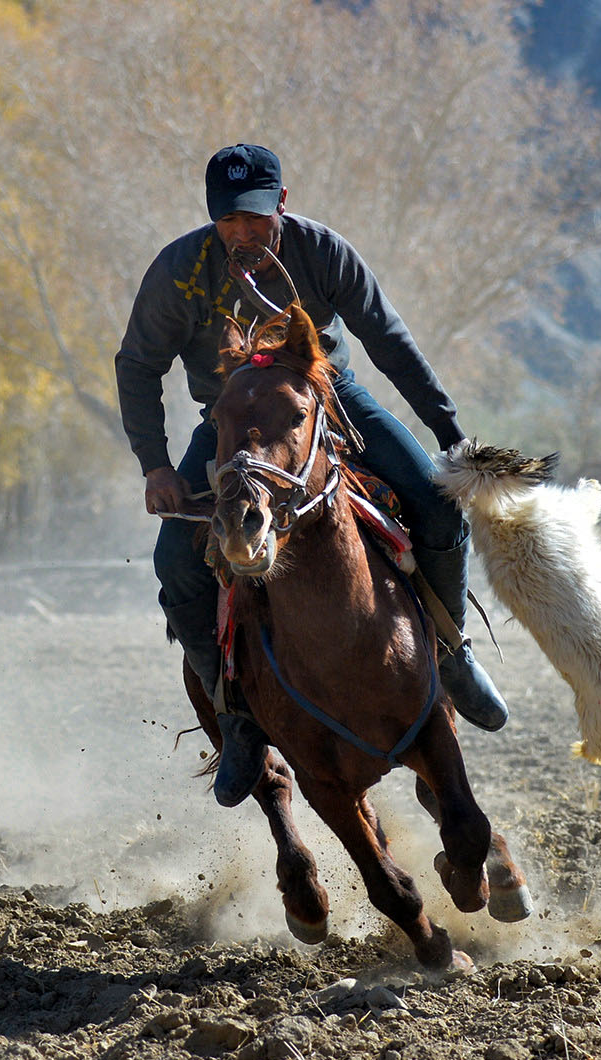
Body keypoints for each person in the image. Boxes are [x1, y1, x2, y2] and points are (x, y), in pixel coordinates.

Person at [114, 143, 507, 808]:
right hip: (233, 421)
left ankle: (449, 651)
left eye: (256, 220)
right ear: (214, 218)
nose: (243, 234)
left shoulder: (323, 252)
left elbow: (387, 339)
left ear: (282, 206)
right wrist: (155, 463)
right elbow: (137, 365)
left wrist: (448, 432)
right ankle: (235, 714)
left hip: (325, 398)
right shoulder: (181, 272)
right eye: (229, 221)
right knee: (175, 565)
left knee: (438, 507)